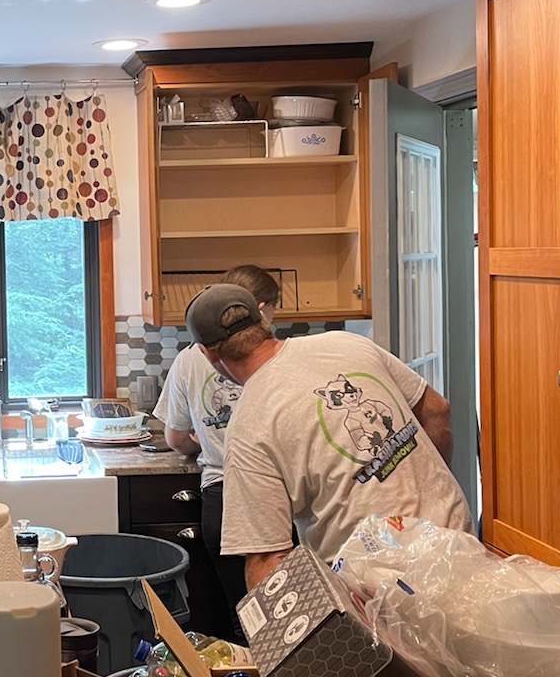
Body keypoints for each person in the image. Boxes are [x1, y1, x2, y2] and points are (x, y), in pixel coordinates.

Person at [183, 282, 470, 590]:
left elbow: (269, 559)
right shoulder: (347, 344)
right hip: (454, 538)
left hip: (379, 586)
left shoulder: (248, 426)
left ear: (208, 354)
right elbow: (437, 409)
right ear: (263, 321)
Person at [152, 265, 280, 636]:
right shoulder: (276, 354)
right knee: (289, 613)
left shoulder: (189, 358)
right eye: (272, 309)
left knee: (243, 615)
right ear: (257, 309)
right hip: (275, 495)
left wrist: (207, 439)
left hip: (221, 495)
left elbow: (175, 438)